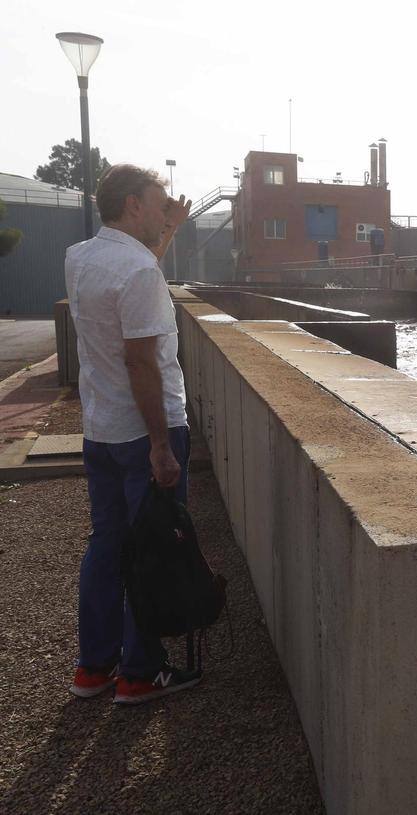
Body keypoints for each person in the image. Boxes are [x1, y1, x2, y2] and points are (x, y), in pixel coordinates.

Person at [65, 164, 196, 705]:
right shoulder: (139, 271)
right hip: (145, 432)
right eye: (159, 201)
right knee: (153, 552)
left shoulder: (80, 256)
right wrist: (162, 446)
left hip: (101, 429)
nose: (166, 209)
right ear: (132, 205)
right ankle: (140, 672)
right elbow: (142, 363)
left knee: (107, 545)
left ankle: (94, 668)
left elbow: (136, 279)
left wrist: (169, 235)